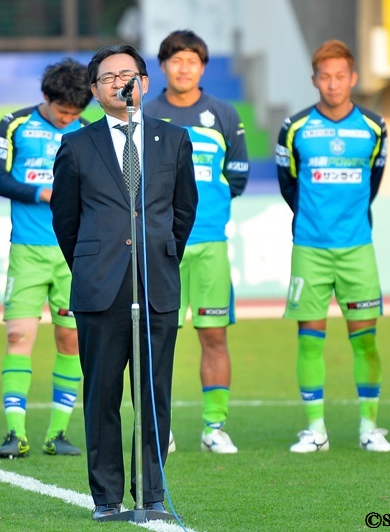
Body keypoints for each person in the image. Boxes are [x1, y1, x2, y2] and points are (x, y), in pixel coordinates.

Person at [50, 44, 197, 520]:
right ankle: (108, 499)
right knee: (102, 397)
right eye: (108, 77)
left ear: (145, 82)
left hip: (156, 281)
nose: (119, 83)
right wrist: (94, 264)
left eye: (127, 74)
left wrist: (156, 252)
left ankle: (151, 496)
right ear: (94, 91)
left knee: (153, 395)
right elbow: (65, 220)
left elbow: (183, 211)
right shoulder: (76, 146)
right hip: (100, 287)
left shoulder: (172, 141)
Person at [276, 40, 390, 453]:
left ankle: (369, 427)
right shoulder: (295, 128)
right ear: (314, 80)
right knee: (310, 337)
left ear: (353, 78)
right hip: (310, 247)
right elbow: (289, 183)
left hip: (357, 248)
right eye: (325, 76)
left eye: (341, 75)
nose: (333, 83)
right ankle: (316, 430)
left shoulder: (374, 127)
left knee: (365, 338)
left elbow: (373, 183)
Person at [144, 29, 249, 455]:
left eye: (192, 60)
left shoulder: (224, 114)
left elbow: (236, 177)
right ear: (163, 66)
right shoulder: (146, 115)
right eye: (175, 60)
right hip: (161, 247)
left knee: (214, 336)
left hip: (209, 244)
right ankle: (159, 428)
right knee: (159, 337)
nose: (183, 67)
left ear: (203, 67)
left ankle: (214, 427)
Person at [0, 59, 93, 459]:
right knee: (18, 337)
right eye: (62, 112)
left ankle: (58, 434)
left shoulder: (88, 130)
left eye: (75, 113)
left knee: (70, 340)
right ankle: (15, 433)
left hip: (74, 254)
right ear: (45, 98)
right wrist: (42, 193)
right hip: (28, 251)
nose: (68, 120)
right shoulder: (14, 124)